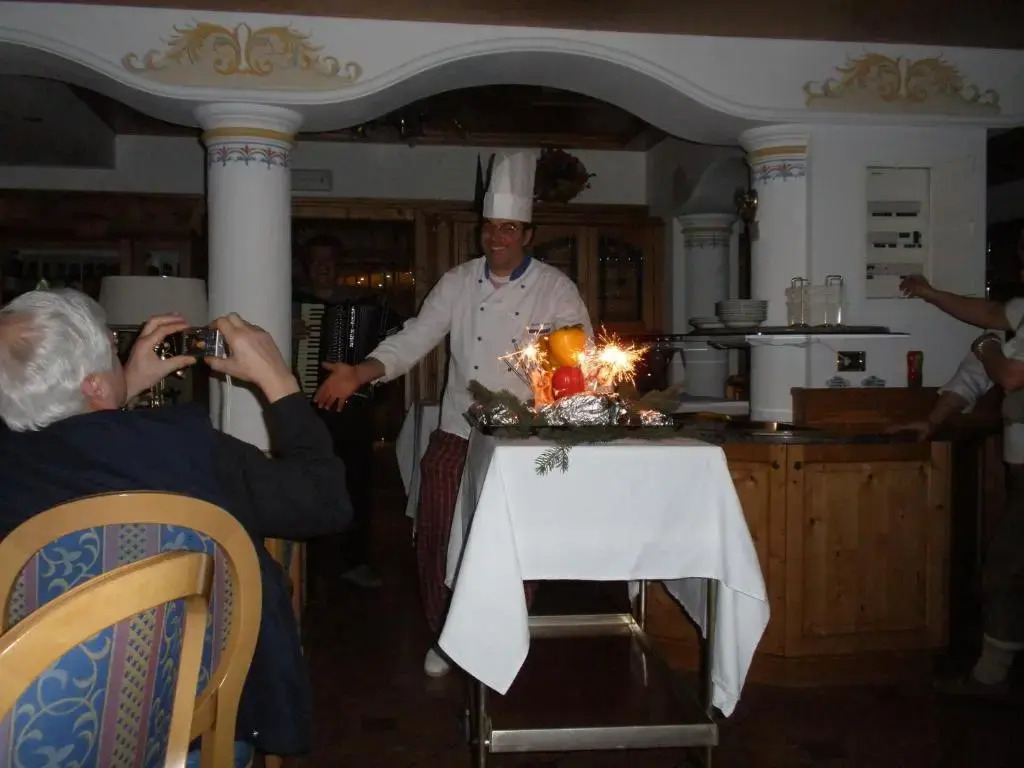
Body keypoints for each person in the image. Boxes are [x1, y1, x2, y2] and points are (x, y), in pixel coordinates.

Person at [0, 289, 353, 758]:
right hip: (195, 723)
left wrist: (118, 385)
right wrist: (278, 379)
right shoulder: (185, 448)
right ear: (94, 385)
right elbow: (325, 503)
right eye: (112, 352)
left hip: (36, 728)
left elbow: (74, 442)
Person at [314, 151, 594, 677]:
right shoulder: (459, 281)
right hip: (456, 430)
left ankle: (502, 633)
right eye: (490, 227)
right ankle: (447, 636)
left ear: (528, 235)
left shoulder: (555, 289)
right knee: (438, 534)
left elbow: (578, 354)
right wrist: (361, 371)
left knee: (516, 539)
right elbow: (416, 336)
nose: (497, 237)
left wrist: (562, 380)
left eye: (509, 228)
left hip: (521, 437)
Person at [900, 265, 1024, 694]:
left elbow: (1009, 375)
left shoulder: (1002, 335)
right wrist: (932, 421)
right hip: (1019, 467)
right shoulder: (1015, 316)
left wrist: (988, 347)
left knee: (1007, 567)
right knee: (1009, 566)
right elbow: (975, 366)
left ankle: (990, 678)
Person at [293, 234, 402, 590]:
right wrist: (285, 332)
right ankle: (307, 560)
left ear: (338, 266)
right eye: (316, 261)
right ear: (307, 266)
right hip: (305, 410)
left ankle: (355, 560)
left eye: (330, 261)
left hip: (352, 413)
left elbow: (392, 342)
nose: (323, 268)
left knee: (356, 482)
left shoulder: (360, 304)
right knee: (306, 483)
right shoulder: (288, 303)